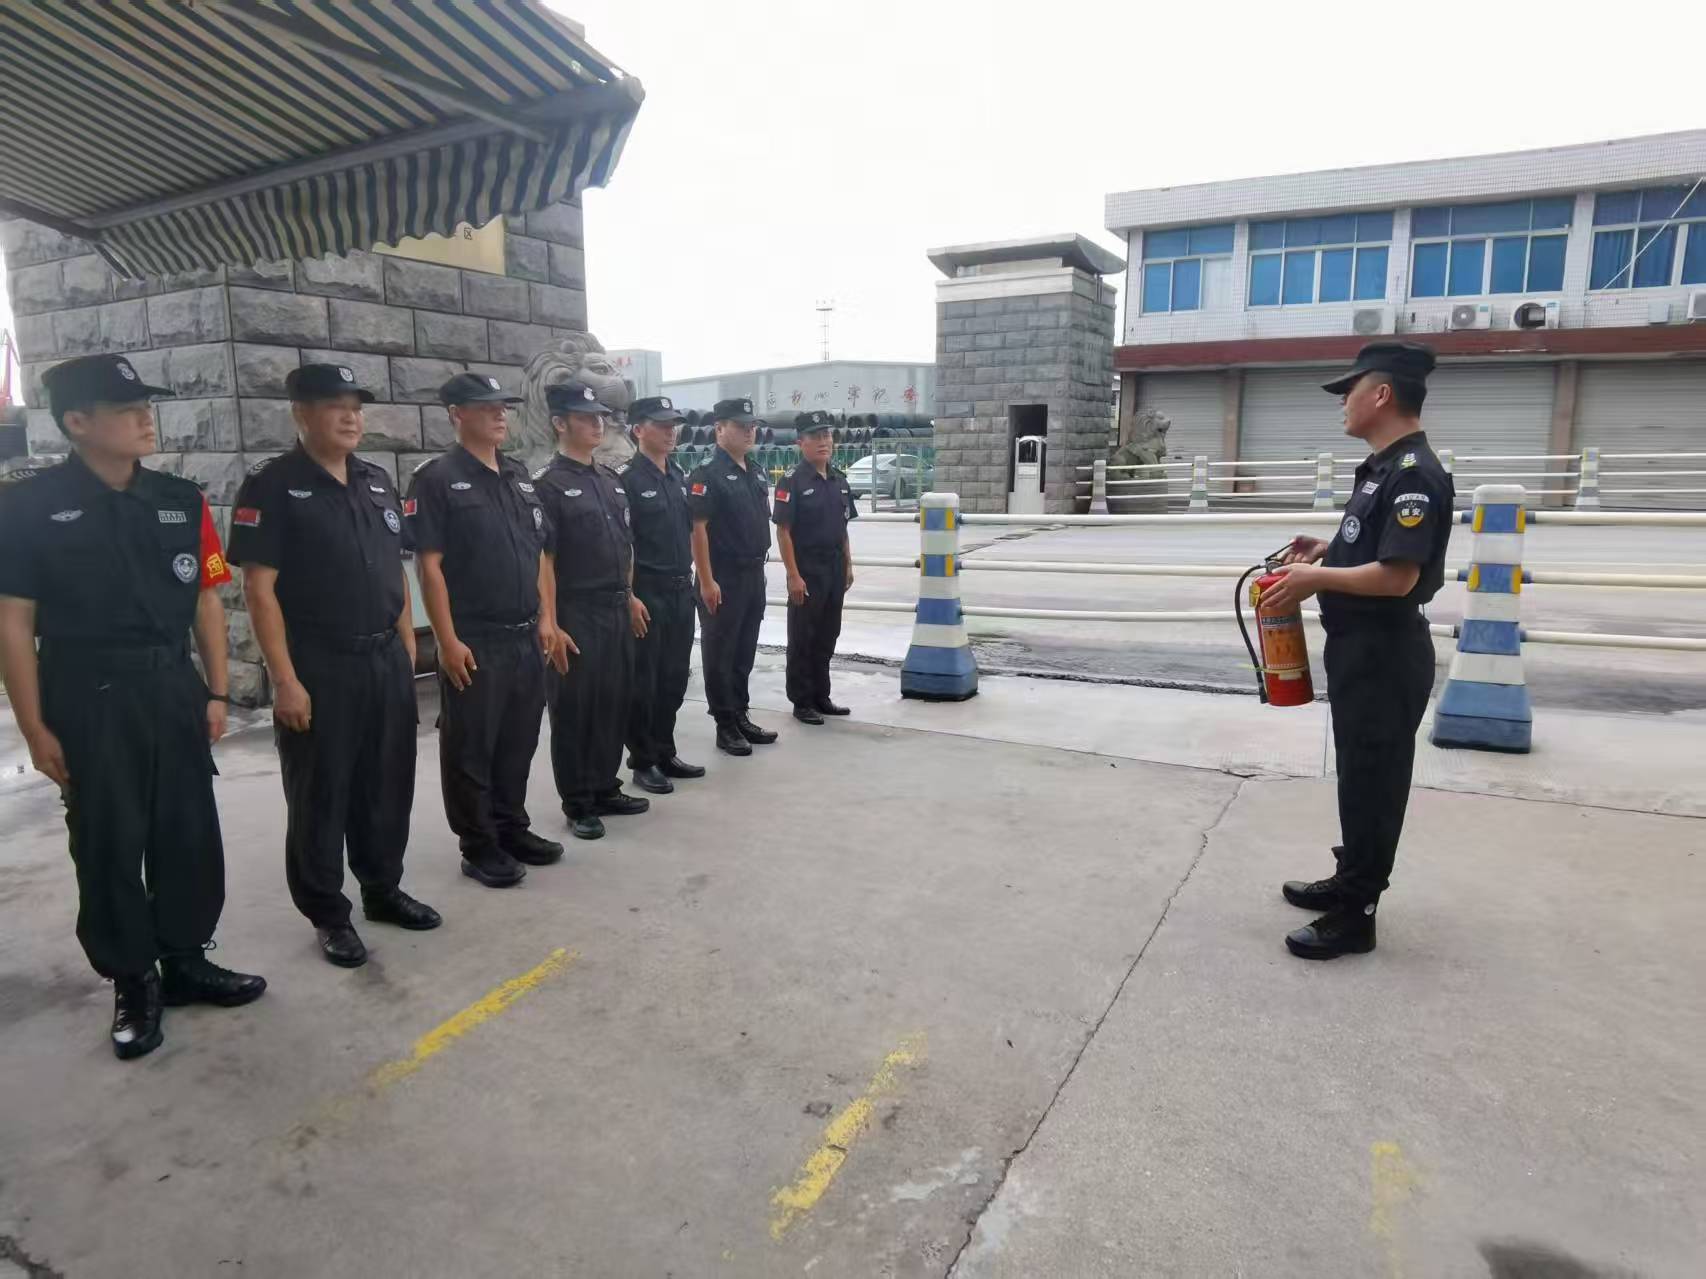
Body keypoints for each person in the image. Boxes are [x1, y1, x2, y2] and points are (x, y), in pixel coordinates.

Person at [0, 353, 265, 1060]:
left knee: (186, 828)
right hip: (88, 694)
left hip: (171, 687)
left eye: (146, 405)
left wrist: (216, 691)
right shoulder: (26, 506)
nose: (146, 418)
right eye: (126, 409)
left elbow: (206, 599)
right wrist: (35, 726)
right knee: (108, 839)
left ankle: (185, 958)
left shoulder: (180, 499)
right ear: (77, 421)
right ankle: (133, 979)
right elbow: (13, 623)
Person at [227, 364, 440, 969]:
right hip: (320, 665)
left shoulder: (375, 481)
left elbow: (394, 567)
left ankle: (382, 887)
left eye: (356, 407)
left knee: (386, 782)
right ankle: (327, 912)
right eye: (334, 406)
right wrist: (285, 680)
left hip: (384, 659)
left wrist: (406, 642)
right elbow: (260, 591)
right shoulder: (272, 485)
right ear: (301, 414)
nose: (351, 417)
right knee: (321, 793)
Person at [1258, 342, 1454, 960]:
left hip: (1385, 653)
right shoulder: (1382, 468)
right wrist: (1330, 552)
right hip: (1360, 650)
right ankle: (1350, 879)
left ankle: (1357, 914)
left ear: (1383, 394)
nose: (1343, 401)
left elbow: (1397, 577)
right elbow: (1376, 550)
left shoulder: (1413, 473)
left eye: (1351, 389)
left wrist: (1315, 579)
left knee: (1374, 782)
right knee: (1358, 776)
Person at [405, 374, 568, 888]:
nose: (500, 415)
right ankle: (477, 845)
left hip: (525, 634)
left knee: (518, 739)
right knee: (471, 747)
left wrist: (547, 619)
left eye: (503, 407)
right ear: (456, 413)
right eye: (486, 407)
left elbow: (539, 555)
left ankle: (510, 826)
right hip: (475, 637)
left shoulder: (518, 476)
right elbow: (429, 568)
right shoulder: (436, 479)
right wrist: (446, 641)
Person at [534, 382, 650, 840]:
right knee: (575, 709)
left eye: (599, 416)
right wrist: (550, 621)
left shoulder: (609, 480)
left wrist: (630, 594)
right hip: (576, 611)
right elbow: (543, 561)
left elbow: (624, 547)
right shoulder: (548, 485)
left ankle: (605, 786)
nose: (597, 424)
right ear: (559, 423)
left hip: (616, 607)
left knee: (612, 702)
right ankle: (578, 801)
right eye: (585, 417)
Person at [618, 395, 705, 795]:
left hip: (680, 590)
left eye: (674, 425)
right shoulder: (626, 480)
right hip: (647, 592)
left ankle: (664, 749)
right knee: (645, 681)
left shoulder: (677, 476)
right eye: (662, 425)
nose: (671, 432)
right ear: (638, 429)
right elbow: (623, 545)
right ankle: (643, 759)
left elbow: (690, 532)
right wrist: (629, 595)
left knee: (673, 677)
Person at [687, 397, 776, 756]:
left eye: (752, 426)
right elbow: (698, 530)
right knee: (720, 651)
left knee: (744, 650)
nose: (749, 432)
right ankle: (724, 724)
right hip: (722, 576)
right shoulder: (706, 473)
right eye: (740, 426)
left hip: (753, 573)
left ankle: (740, 713)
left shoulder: (755, 470)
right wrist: (707, 580)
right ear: (719, 429)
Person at [774, 410, 857, 723]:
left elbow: (843, 528)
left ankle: (822, 696)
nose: (823, 442)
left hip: (834, 567)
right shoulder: (792, 481)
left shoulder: (839, 481)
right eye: (815, 437)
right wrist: (793, 575)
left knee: (828, 634)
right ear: (801, 442)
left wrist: (848, 565)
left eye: (827, 435)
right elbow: (783, 531)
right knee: (803, 637)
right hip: (807, 569)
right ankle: (802, 700)